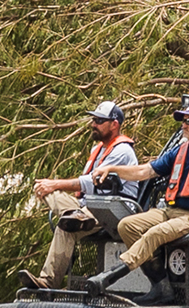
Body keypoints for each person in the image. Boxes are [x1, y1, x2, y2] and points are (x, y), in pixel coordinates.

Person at [86, 101, 189, 292]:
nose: (184, 125)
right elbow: (144, 171)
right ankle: (161, 285)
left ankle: (111, 275)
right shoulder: (179, 151)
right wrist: (111, 168)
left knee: (155, 233)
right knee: (127, 226)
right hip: (170, 210)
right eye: (183, 121)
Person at [26, 101, 139, 288]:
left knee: (65, 225)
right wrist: (49, 186)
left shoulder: (122, 151)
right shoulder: (97, 150)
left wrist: (55, 183)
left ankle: (48, 281)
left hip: (112, 208)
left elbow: (91, 183)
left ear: (114, 124)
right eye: (93, 119)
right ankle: (74, 214)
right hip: (87, 205)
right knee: (44, 189)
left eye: (99, 120)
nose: (93, 124)